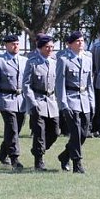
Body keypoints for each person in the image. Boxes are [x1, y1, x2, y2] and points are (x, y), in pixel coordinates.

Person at [55, 30, 94, 173]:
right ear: (69, 44)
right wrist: (63, 105)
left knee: (83, 134)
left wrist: (92, 102)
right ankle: (77, 163)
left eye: (82, 41)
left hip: (85, 100)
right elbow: (60, 84)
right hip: (71, 100)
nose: (81, 43)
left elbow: (90, 83)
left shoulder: (88, 58)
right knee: (76, 132)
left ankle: (64, 156)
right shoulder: (64, 60)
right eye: (77, 41)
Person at [0, 34, 27, 168]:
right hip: (6, 100)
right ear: (6, 45)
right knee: (12, 129)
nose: (16, 46)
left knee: (16, 129)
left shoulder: (24, 61)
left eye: (17, 44)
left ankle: (2, 153)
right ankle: (14, 158)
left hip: (21, 100)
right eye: (12, 44)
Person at [23, 35, 60, 170]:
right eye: (47, 47)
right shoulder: (32, 62)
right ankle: (39, 160)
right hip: (38, 101)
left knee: (55, 132)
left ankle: (39, 150)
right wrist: (32, 103)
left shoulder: (55, 62)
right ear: (40, 48)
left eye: (52, 47)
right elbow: (26, 85)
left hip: (52, 101)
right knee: (39, 131)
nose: (50, 49)